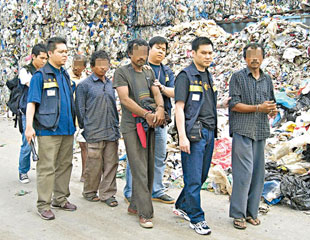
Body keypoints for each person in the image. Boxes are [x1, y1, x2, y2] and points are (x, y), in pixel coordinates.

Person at [174, 37, 228, 235]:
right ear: (193, 53)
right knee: (194, 177)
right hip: (194, 134)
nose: (208, 56)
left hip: (209, 133)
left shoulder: (208, 76)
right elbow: (179, 108)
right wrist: (182, 137)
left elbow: (205, 103)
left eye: (210, 53)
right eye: (203, 53)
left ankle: (182, 204)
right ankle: (197, 218)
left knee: (201, 175)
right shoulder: (185, 76)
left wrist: (221, 104)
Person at [113, 39, 165, 228]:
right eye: (139, 53)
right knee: (139, 167)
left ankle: (135, 205)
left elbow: (156, 92)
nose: (143, 56)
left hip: (149, 123)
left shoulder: (148, 72)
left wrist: (159, 108)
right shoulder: (121, 72)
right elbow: (125, 99)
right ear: (130, 54)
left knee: (149, 165)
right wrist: (146, 114)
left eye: (145, 52)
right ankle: (145, 212)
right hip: (132, 125)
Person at [25, 37, 77, 220]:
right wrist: (29, 127)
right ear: (50, 53)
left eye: (66, 52)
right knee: (47, 167)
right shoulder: (40, 76)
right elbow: (32, 102)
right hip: (48, 130)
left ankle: (60, 198)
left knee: (65, 165)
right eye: (61, 52)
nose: (65, 55)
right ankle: (44, 204)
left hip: (67, 129)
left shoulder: (64, 74)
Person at [229, 43, 277, 230]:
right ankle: (238, 214)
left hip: (260, 130)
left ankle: (251, 212)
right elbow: (234, 104)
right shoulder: (238, 77)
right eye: (251, 56)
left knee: (258, 173)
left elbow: (270, 103)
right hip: (243, 129)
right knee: (243, 173)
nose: (255, 59)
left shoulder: (267, 79)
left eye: (258, 55)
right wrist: (258, 108)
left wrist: (271, 111)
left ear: (263, 58)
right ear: (245, 58)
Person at [123, 36, 175, 204]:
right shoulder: (137, 70)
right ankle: (131, 190)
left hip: (161, 121)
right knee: (136, 156)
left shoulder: (166, 71)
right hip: (140, 120)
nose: (161, 51)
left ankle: (156, 190)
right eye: (157, 48)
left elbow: (175, 92)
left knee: (159, 156)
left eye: (164, 49)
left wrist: (162, 89)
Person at [75, 50, 120, 206]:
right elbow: (80, 110)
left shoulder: (110, 84)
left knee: (111, 163)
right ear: (92, 66)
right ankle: (89, 191)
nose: (103, 68)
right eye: (99, 65)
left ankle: (108, 194)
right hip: (93, 131)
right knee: (93, 164)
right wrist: (85, 127)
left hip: (111, 130)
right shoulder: (84, 86)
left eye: (106, 64)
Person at [18, 43, 48, 184]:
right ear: (33, 57)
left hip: (43, 111)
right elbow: (33, 85)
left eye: (46, 58)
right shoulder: (26, 71)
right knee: (27, 142)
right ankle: (23, 171)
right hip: (27, 111)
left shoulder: (46, 71)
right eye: (41, 58)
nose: (44, 61)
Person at [68, 54, 88, 182]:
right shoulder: (66, 76)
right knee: (65, 147)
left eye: (79, 65)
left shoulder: (86, 78)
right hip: (68, 116)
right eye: (75, 64)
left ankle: (84, 173)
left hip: (81, 117)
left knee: (84, 146)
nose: (76, 68)